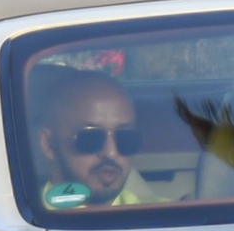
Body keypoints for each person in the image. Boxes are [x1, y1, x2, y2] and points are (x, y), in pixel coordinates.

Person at [31, 65, 151, 209]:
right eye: (91, 138)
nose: (111, 152)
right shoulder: (24, 218)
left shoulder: (163, 215)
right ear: (49, 144)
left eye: (126, 137)